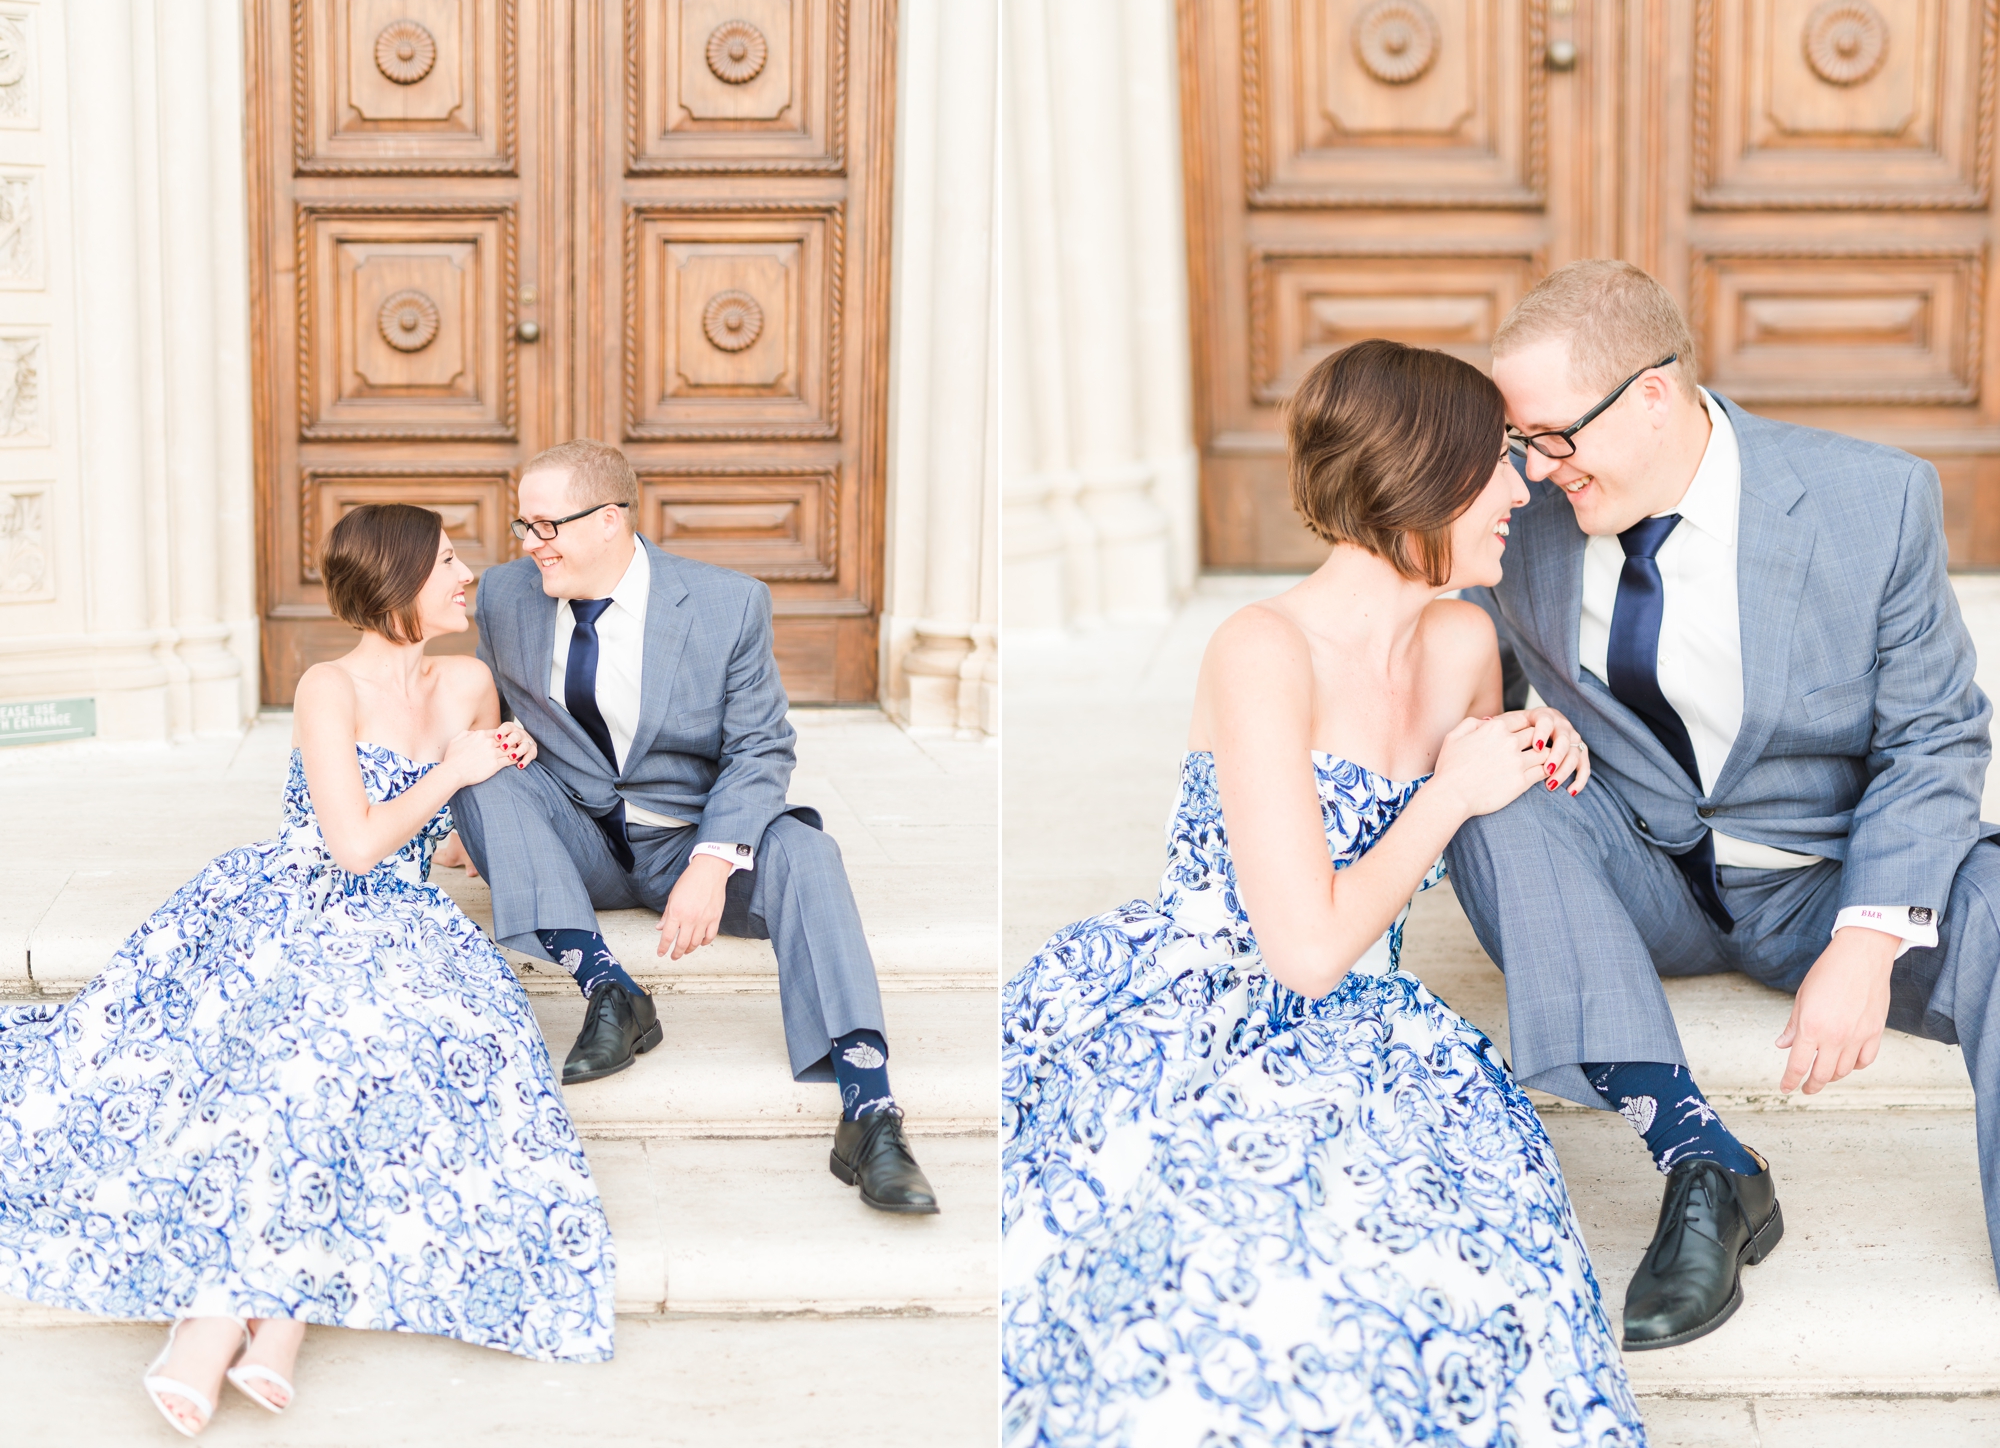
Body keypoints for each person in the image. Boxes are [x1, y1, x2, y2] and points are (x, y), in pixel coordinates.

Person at [1002, 340, 1647, 1446]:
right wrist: (1445, 795)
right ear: (1422, 474)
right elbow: (1300, 950)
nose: (1520, 484)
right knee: (1234, 1279)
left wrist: (1531, 735)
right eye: (1496, 461)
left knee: (1469, 1286)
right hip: (1205, 1006)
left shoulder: (1460, 642)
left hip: (1378, 1025)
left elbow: (1484, 789)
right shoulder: (1261, 648)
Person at [1449, 258, 2000, 1351]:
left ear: (1651, 394)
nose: (1531, 468)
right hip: (1639, 869)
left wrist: (1866, 936)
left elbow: (1934, 735)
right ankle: (1701, 1159)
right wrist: (1517, 720)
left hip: (1820, 874)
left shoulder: (1869, 500)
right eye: (1522, 441)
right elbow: (1426, 649)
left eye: (1553, 435)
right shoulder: (1526, 519)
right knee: (1483, 794)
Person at [0, 503, 616, 1438]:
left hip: (409, 927)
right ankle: (233, 1317)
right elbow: (356, 844)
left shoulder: (469, 682)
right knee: (300, 1046)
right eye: (448, 560)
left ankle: (266, 1308)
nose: (468, 575)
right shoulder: (327, 687)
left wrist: (506, 772)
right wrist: (453, 771)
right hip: (296, 905)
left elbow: (448, 851)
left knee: (383, 1050)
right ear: (400, 579)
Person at [442, 438, 937, 1214]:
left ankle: (869, 1111)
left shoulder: (725, 603)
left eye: (547, 527)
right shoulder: (509, 596)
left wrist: (712, 860)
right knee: (477, 769)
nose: (531, 545)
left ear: (610, 520)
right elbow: (489, 708)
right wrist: (498, 780)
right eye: (524, 527)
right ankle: (610, 988)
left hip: (684, 839)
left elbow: (761, 746)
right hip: (576, 844)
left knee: (807, 848)